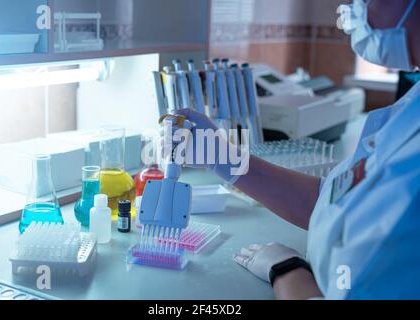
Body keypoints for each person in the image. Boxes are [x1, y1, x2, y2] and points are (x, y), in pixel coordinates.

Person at [172, 0, 420, 299]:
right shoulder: (412, 107)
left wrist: (287, 272)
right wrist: (224, 157)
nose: (354, 9)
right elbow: (339, 201)